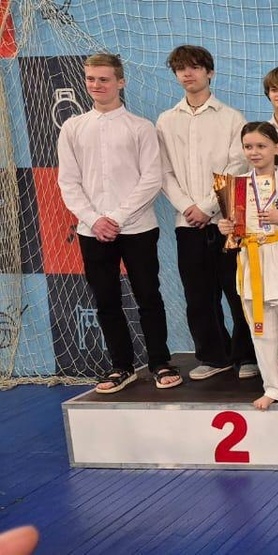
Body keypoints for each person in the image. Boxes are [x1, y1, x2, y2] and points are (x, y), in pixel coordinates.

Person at [58, 53, 176, 392]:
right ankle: (121, 366)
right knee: (106, 300)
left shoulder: (141, 127)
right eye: (91, 79)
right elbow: (68, 182)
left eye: (104, 79)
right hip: (91, 231)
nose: (96, 85)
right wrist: (95, 220)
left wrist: (117, 217)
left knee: (148, 296)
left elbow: (151, 179)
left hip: (138, 228)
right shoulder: (72, 128)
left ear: (120, 82)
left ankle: (160, 362)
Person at [156, 44, 255, 382]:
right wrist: (188, 207)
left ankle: (246, 355)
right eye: (181, 68)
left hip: (228, 220)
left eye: (195, 67)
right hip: (187, 222)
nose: (188, 73)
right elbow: (164, 171)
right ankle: (214, 356)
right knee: (198, 295)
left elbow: (237, 165)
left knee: (237, 291)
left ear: (209, 72)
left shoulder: (232, 118)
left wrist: (207, 206)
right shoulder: (166, 120)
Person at [216, 123, 278, 411]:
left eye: (261, 146)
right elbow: (233, 231)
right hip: (251, 261)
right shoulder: (235, 185)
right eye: (248, 147)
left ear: (277, 148)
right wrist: (225, 227)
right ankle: (272, 386)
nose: (254, 152)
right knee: (262, 333)